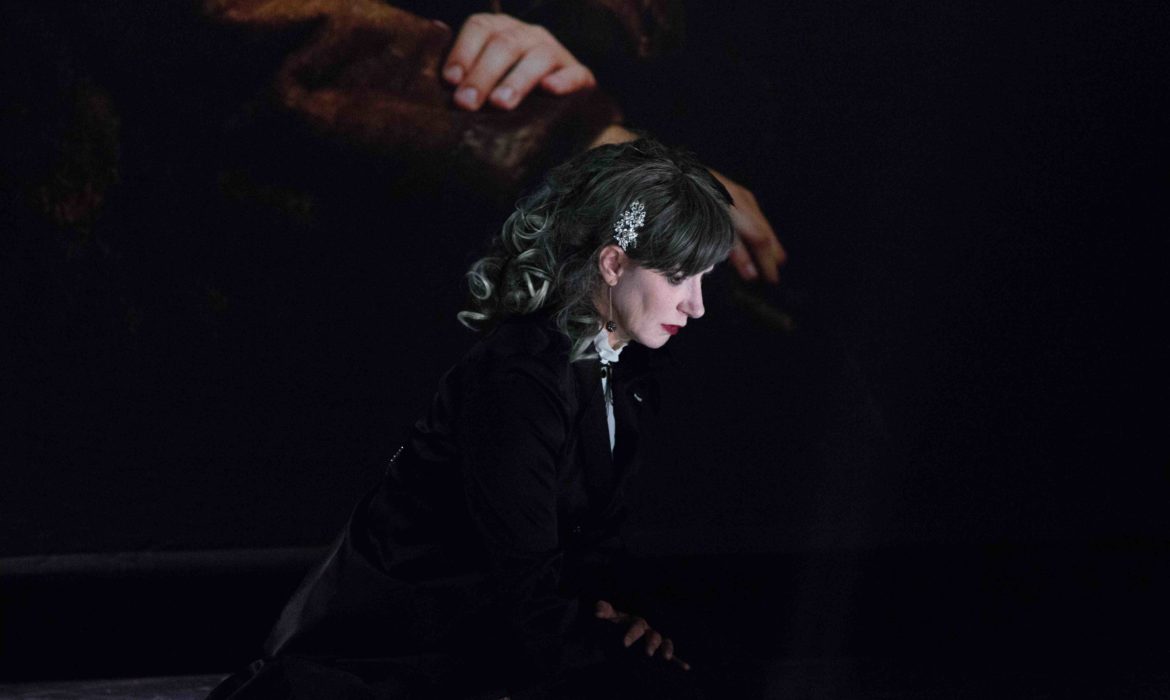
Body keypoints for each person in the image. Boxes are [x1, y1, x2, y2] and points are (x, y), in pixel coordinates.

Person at [207, 137, 733, 699]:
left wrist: (622, 622)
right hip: (389, 657)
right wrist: (603, 643)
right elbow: (520, 586)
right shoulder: (519, 379)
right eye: (679, 276)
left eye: (703, 278)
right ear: (612, 263)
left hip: (496, 643)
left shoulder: (622, 372)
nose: (696, 305)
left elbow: (589, 550)